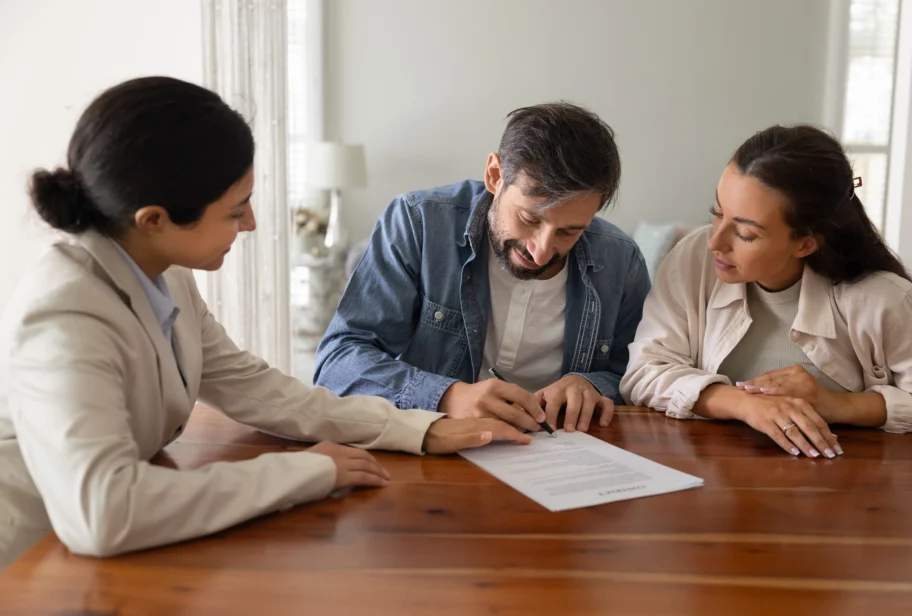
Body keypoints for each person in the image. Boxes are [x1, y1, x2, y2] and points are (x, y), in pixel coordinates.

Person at [0, 76, 528, 570]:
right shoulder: (65, 312)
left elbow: (256, 387)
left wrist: (418, 427)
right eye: (236, 209)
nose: (250, 223)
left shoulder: (164, 273)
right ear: (154, 220)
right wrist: (304, 472)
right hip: (30, 563)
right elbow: (103, 513)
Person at [621, 124, 912, 457]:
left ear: (805, 243)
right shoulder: (692, 261)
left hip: (844, 494)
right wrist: (744, 405)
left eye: (745, 233)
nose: (714, 242)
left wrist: (836, 405)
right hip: (716, 488)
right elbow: (644, 372)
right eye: (717, 212)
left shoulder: (883, 300)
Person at [315, 103, 651, 435]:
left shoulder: (621, 261)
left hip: (562, 458)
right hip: (435, 449)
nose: (542, 249)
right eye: (530, 219)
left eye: (569, 231)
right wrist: (446, 397)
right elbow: (338, 362)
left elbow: (638, 374)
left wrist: (591, 385)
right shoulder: (418, 224)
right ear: (494, 175)